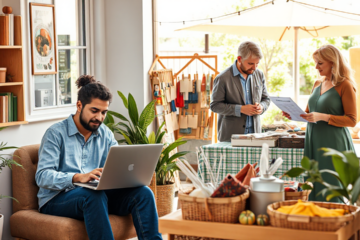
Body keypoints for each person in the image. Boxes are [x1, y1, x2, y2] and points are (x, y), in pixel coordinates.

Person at [36, 75, 162, 240]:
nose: (100, 118)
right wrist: (78, 177)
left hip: (96, 196)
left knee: (143, 193)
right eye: (94, 111)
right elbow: (42, 176)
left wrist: (130, 177)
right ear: (79, 106)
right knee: (92, 196)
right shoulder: (55, 133)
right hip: (56, 198)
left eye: (104, 112)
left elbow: (117, 167)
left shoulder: (105, 134)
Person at [283, 44, 357, 202]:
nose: (316, 67)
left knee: (331, 185)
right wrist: (294, 115)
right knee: (314, 182)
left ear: (333, 62)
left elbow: (352, 120)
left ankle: (334, 220)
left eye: (320, 63)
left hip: (334, 142)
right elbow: (310, 114)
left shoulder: (345, 85)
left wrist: (323, 117)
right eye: (315, 63)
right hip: (313, 140)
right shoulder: (317, 84)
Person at [210, 41, 270, 142]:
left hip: (256, 136)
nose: (254, 68)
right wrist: (241, 109)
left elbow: (266, 99)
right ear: (239, 59)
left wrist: (262, 107)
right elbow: (215, 106)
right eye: (250, 64)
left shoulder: (259, 74)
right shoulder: (222, 78)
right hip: (230, 137)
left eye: (257, 64)